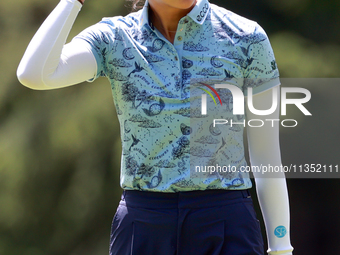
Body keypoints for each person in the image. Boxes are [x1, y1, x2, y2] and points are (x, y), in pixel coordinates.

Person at [17, 0, 294, 254]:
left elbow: (266, 156)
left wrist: (281, 247)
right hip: (143, 223)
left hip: (226, 221)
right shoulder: (114, 37)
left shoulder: (247, 37)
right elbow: (35, 73)